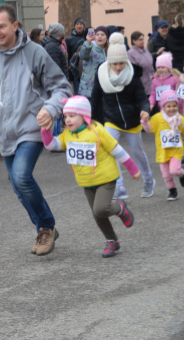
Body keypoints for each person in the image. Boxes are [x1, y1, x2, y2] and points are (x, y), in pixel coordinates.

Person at [0, 4, 72, 256]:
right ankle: (44, 226)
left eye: (2, 26)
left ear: (15, 26)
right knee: (18, 187)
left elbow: (62, 88)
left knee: (20, 177)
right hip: (3, 132)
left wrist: (50, 109)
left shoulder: (35, 53)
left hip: (31, 126)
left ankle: (46, 227)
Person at [41, 96, 139, 258]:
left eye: (72, 116)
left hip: (106, 178)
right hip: (86, 182)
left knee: (101, 209)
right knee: (97, 214)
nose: (68, 120)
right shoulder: (68, 134)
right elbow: (51, 145)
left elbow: (116, 149)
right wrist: (45, 130)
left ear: (84, 116)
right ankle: (112, 241)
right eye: (66, 117)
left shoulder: (97, 131)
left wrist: (132, 167)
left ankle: (120, 208)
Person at [90, 33, 156, 200]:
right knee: (113, 152)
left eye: (121, 63)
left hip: (132, 120)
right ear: (108, 62)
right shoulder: (102, 75)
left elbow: (142, 97)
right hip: (111, 120)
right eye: (114, 63)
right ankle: (120, 186)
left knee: (137, 152)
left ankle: (148, 179)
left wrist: (145, 110)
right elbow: (96, 97)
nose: (118, 67)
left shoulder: (132, 76)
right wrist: (90, 118)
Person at [142, 89, 184, 201]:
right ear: (162, 106)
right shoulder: (157, 118)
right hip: (163, 152)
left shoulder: (179, 118)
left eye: (174, 105)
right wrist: (145, 122)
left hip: (176, 150)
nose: (172, 108)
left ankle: (182, 174)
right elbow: (149, 129)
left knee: (174, 170)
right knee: (166, 175)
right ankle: (172, 191)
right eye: (168, 106)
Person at [42, 23, 69, 136]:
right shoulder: (52, 46)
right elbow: (55, 67)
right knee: (57, 111)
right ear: (59, 33)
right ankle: (55, 138)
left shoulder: (51, 44)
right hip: (56, 84)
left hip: (56, 82)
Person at [78, 26, 108, 98]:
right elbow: (82, 55)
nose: (99, 37)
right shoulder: (90, 47)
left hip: (103, 88)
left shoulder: (108, 50)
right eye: (97, 35)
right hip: (88, 90)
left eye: (102, 35)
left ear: (107, 37)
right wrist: (88, 42)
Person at [128, 31, 154, 96]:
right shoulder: (130, 53)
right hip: (141, 84)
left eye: (143, 39)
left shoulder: (146, 50)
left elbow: (151, 66)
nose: (142, 41)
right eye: (140, 40)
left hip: (151, 83)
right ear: (134, 41)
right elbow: (133, 71)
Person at [66, 18, 87, 92]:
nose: (79, 26)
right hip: (75, 68)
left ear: (84, 26)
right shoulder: (69, 39)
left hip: (87, 67)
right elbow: (69, 56)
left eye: (81, 24)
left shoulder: (88, 38)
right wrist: (70, 69)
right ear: (74, 26)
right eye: (77, 24)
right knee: (78, 92)